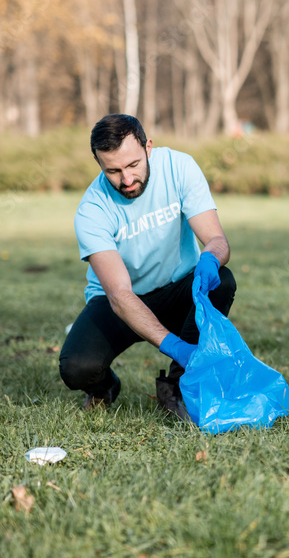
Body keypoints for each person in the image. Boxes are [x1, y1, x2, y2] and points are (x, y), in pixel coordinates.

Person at [59, 114, 235, 421]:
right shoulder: (92, 211)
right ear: (99, 164)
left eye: (133, 165)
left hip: (179, 287)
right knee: (77, 368)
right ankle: (104, 389)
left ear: (148, 147)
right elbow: (120, 295)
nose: (126, 180)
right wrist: (174, 346)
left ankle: (177, 388)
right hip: (121, 302)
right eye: (113, 171)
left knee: (222, 279)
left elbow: (217, 239)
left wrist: (210, 258)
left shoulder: (180, 167)